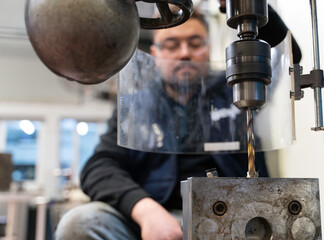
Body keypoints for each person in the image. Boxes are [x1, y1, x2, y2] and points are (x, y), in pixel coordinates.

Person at [55, 8, 300, 240]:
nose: (184, 53)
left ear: (208, 48)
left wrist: (247, 8)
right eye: (172, 45)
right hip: (155, 221)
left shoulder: (235, 88)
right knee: (80, 222)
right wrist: (145, 210)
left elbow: (287, 55)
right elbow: (98, 168)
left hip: (236, 219)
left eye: (194, 43)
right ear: (155, 54)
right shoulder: (136, 107)